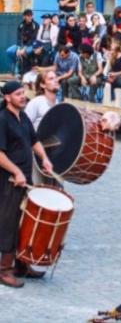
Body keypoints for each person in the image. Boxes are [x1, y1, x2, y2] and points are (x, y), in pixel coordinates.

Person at [0, 81, 54, 287]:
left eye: (23, 93)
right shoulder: (2, 119)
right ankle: (4, 269)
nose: (23, 96)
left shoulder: (22, 118)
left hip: (24, 179)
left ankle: (20, 263)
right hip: (8, 181)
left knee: (25, 222)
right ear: (7, 98)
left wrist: (45, 158)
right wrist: (15, 171)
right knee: (9, 222)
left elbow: (34, 140)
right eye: (18, 94)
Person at [6, 9, 39, 76]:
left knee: (23, 52)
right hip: (21, 45)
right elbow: (19, 38)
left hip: (32, 45)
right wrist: (18, 48)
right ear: (24, 17)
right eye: (28, 16)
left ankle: (17, 72)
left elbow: (33, 39)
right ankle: (13, 67)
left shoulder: (35, 25)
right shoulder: (21, 25)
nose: (30, 17)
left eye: (31, 15)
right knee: (9, 51)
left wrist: (24, 49)